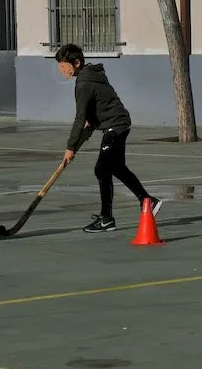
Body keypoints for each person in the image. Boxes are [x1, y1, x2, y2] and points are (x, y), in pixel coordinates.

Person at [55, 44, 163, 233]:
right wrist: (76, 146)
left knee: (102, 169)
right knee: (116, 167)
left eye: (64, 65)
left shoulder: (84, 83)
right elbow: (90, 121)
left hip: (115, 127)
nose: (61, 70)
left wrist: (70, 146)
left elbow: (80, 118)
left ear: (77, 63)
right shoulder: (91, 76)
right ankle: (147, 201)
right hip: (119, 124)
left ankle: (107, 218)